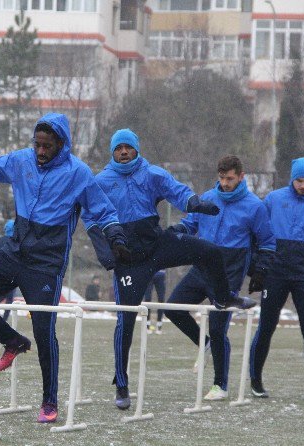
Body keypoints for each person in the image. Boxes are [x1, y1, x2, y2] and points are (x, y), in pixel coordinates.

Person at [0, 113, 130, 424]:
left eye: (47, 146)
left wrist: (117, 238)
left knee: (45, 332)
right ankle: (13, 341)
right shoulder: (22, 161)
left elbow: (103, 210)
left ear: (61, 144)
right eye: (37, 145)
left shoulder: (78, 173)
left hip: (46, 264)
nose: (41, 151)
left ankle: (49, 402)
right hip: (14, 251)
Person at [85, 129, 256, 411]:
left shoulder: (152, 173)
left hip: (156, 245)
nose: (124, 152)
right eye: (119, 148)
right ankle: (122, 384)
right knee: (125, 321)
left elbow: (178, 192)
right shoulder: (101, 181)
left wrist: (196, 204)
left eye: (129, 147)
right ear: (112, 153)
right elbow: (90, 217)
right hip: (129, 259)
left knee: (209, 251)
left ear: (137, 150)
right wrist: (108, 255)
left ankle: (224, 297)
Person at [164, 155, 276, 401]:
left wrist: (260, 272)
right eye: (222, 178)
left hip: (229, 274)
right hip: (201, 267)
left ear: (241, 177)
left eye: (230, 179)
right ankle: (202, 344)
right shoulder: (208, 198)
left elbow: (267, 242)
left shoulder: (255, 206)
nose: (225, 183)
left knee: (217, 328)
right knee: (172, 309)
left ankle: (220, 385)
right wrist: (175, 231)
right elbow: (191, 223)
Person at [250, 157, 304, 403]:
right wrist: (257, 268)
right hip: (275, 273)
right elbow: (259, 235)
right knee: (265, 327)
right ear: (292, 178)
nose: (303, 185)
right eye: (299, 180)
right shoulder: (274, 199)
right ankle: (256, 381)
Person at [143, 270, 166, 334]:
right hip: (149, 272)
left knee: (161, 299)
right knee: (147, 299)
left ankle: (159, 326)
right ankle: (147, 326)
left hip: (160, 273)